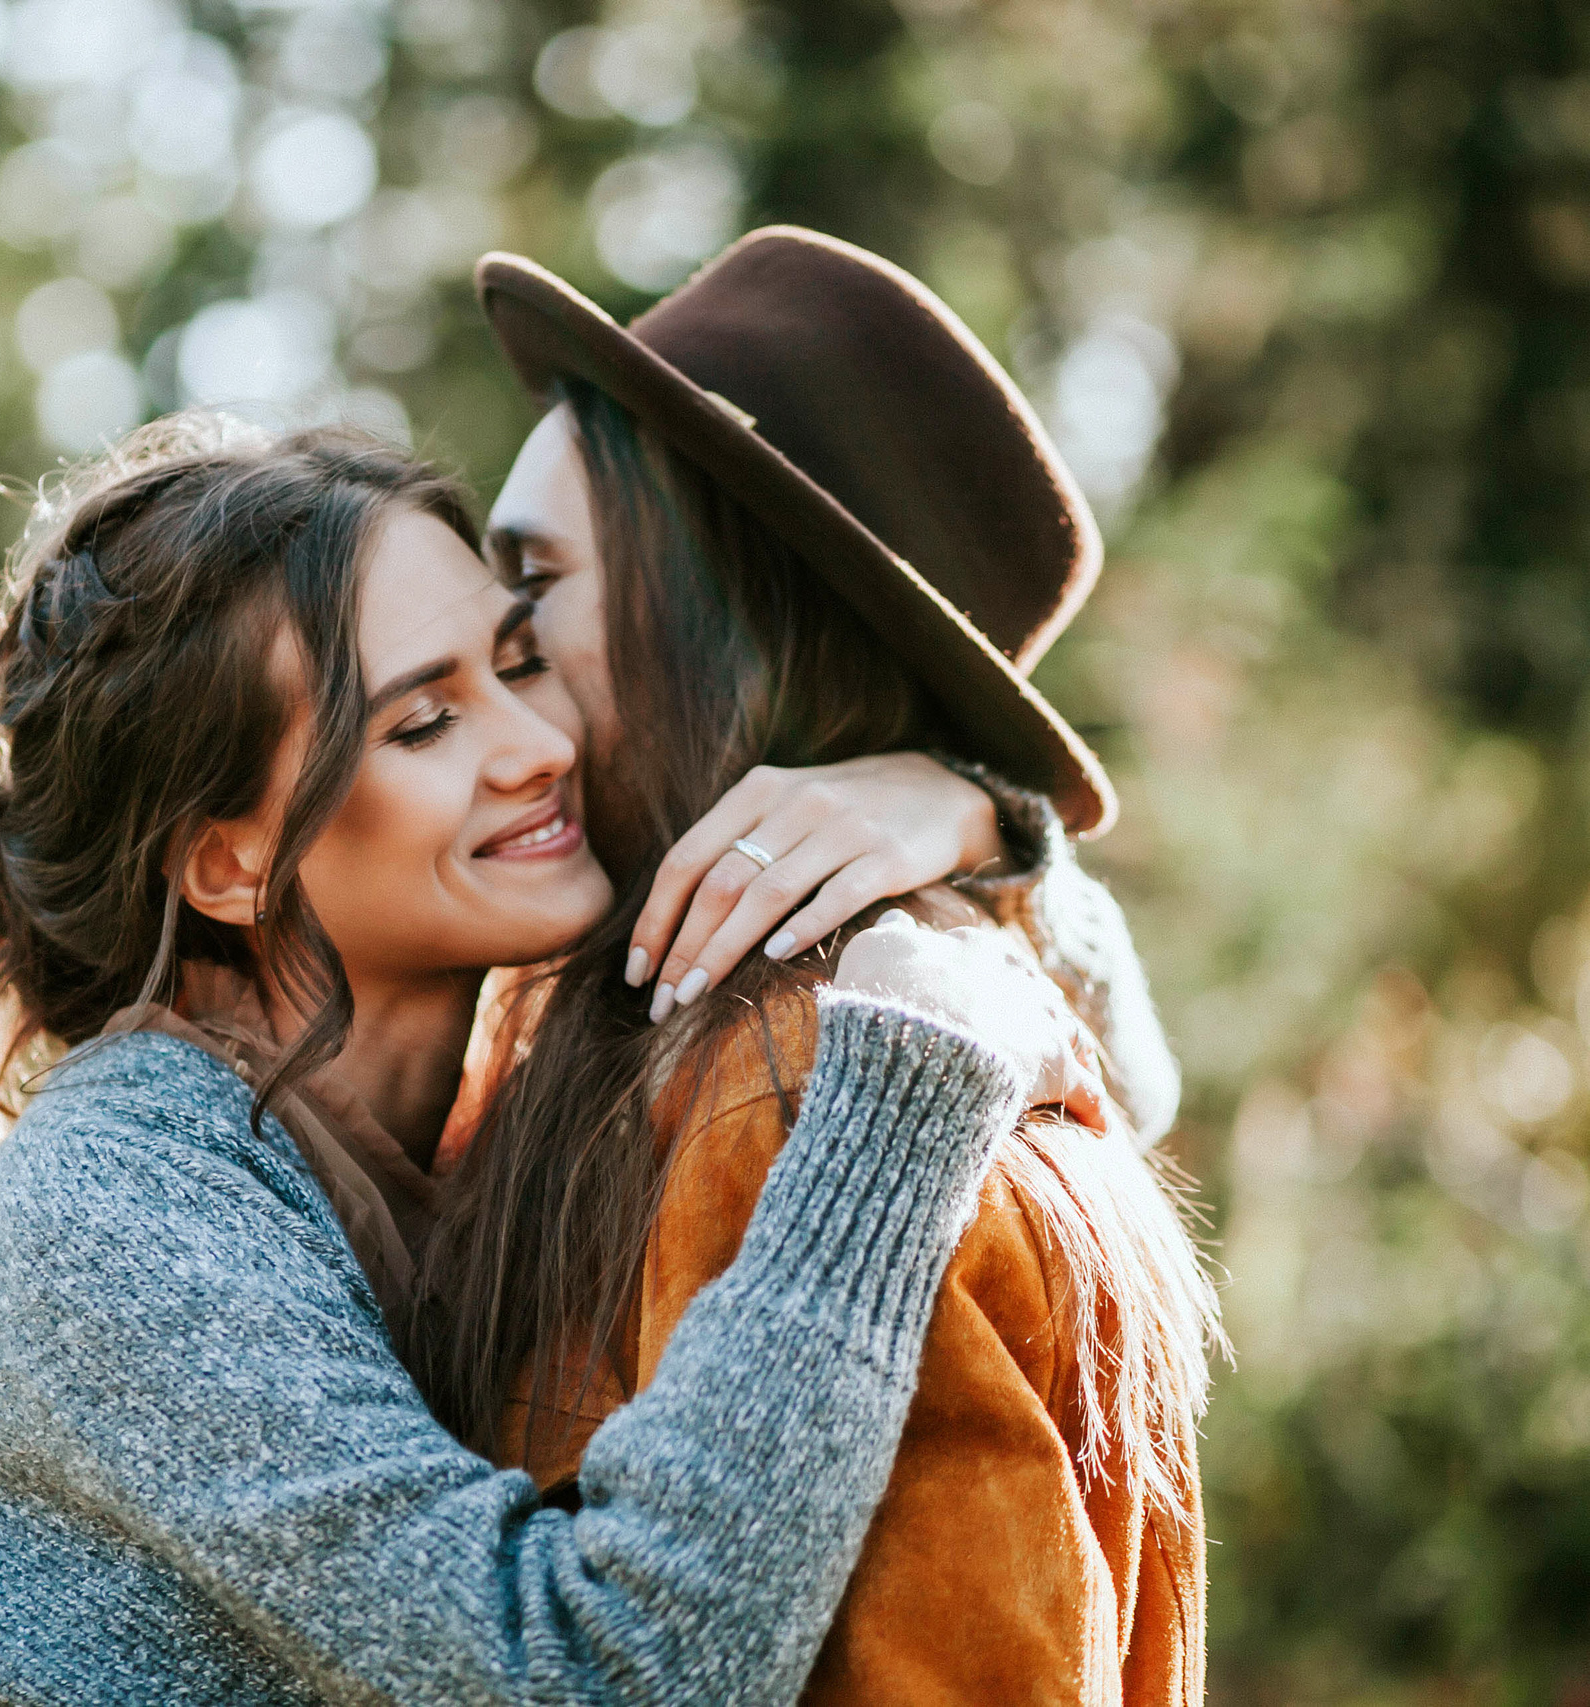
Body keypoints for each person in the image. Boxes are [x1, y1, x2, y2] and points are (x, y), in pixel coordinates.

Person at [0, 412, 1106, 1705]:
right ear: (225, 861)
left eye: (517, 660)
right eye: (423, 723)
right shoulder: (119, 1215)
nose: (540, 746)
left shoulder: (486, 1109)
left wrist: (964, 818)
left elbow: (1136, 1078)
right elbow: (602, 1679)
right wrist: (902, 1103)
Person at [416, 229, 1220, 1705]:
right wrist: (999, 827)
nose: (492, 651)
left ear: (730, 605)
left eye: (534, 585)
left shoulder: (818, 1079)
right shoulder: (621, 1025)